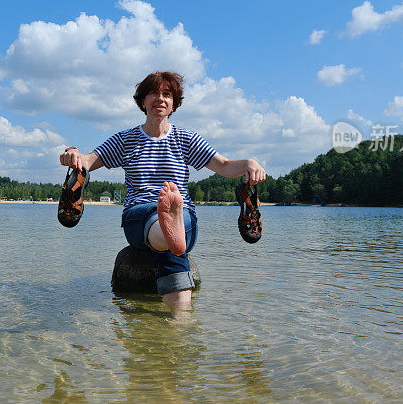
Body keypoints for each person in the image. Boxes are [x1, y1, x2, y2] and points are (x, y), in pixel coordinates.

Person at [59, 71, 266, 310]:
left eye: (167, 94)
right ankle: (180, 320)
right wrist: (73, 156)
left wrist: (249, 163)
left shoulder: (186, 139)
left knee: (173, 223)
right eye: (153, 93)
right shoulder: (126, 140)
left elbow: (225, 166)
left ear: (174, 104)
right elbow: (88, 161)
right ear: (143, 101)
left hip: (183, 214)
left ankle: (171, 220)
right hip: (140, 213)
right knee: (166, 227)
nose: (160, 98)